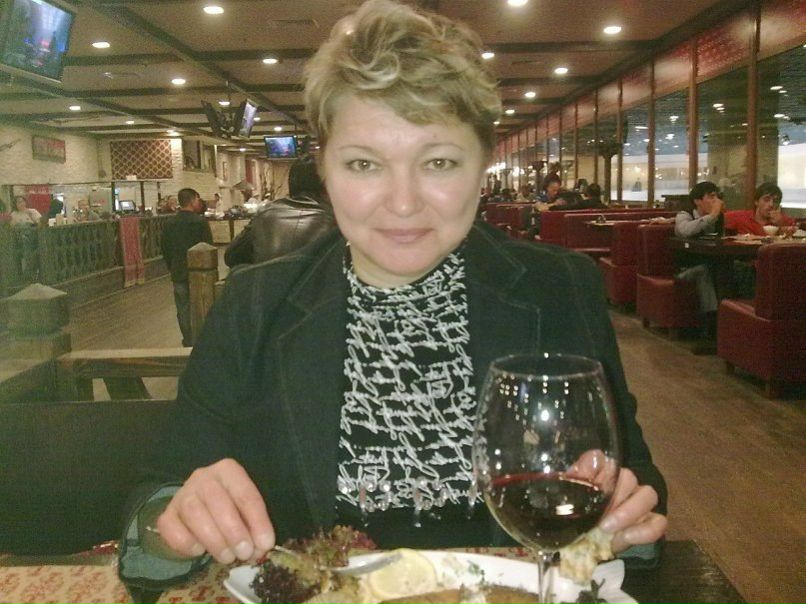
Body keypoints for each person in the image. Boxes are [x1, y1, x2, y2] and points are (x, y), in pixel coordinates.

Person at [119, 0, 666, 589]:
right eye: (364, 164)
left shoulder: (558, 288)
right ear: (325, 169)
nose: (403, 203)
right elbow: (155, 507)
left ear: (483, 164)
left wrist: (621, 519)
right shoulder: (254, 304)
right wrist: (171, 524)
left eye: (439, 162)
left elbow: (634, 489)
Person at [224, 156, 335, 267]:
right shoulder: (335, 219)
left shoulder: (266, 213)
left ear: (291, 182)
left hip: (267, 277)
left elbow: (231, 256)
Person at [673, 181, 723, 354]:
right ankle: (708, 332)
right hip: (684, 271)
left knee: (732, 270)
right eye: (711, 196)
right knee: (704, 271)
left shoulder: (718, 217)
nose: (715, 200)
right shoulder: (684, 215)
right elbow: (685, 231)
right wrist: (712, 216)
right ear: (697, 201)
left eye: (716, 196)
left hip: (711, 265)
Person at [159, 188, 213, 347]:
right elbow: (208, 247)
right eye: (197, 199)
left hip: (178, 270)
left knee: (183, 308)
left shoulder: (169, 223)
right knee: (202, 304)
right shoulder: (200, 222)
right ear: (192, 200)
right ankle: (202, 339)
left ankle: (188, 340)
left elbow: (165, 248)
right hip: (200, 272)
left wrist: (172, 266)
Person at [725, 182, 796, 237]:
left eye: (775, 201)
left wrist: (781, 225)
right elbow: (721, 219)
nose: (771, 204)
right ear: (756, 201)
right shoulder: (741, 217)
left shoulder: (785, 221)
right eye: (766, 200)